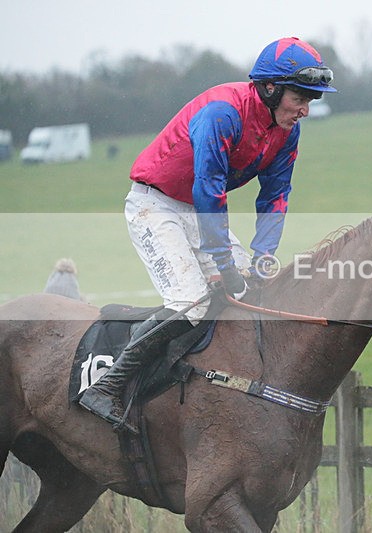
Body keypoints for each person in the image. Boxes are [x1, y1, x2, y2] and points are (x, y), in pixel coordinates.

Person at [79, 37, 336, 430]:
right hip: (157, 205)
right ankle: (107, 385)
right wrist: (221, 264)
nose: (305, 109)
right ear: (270, 88)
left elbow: (276, 195)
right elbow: (209, 190)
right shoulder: (222, 112)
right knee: (191, 302)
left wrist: (263, 256)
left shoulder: (287, 131)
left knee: (252, 289)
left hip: (200, 208)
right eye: (300, 97)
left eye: (311, 100)